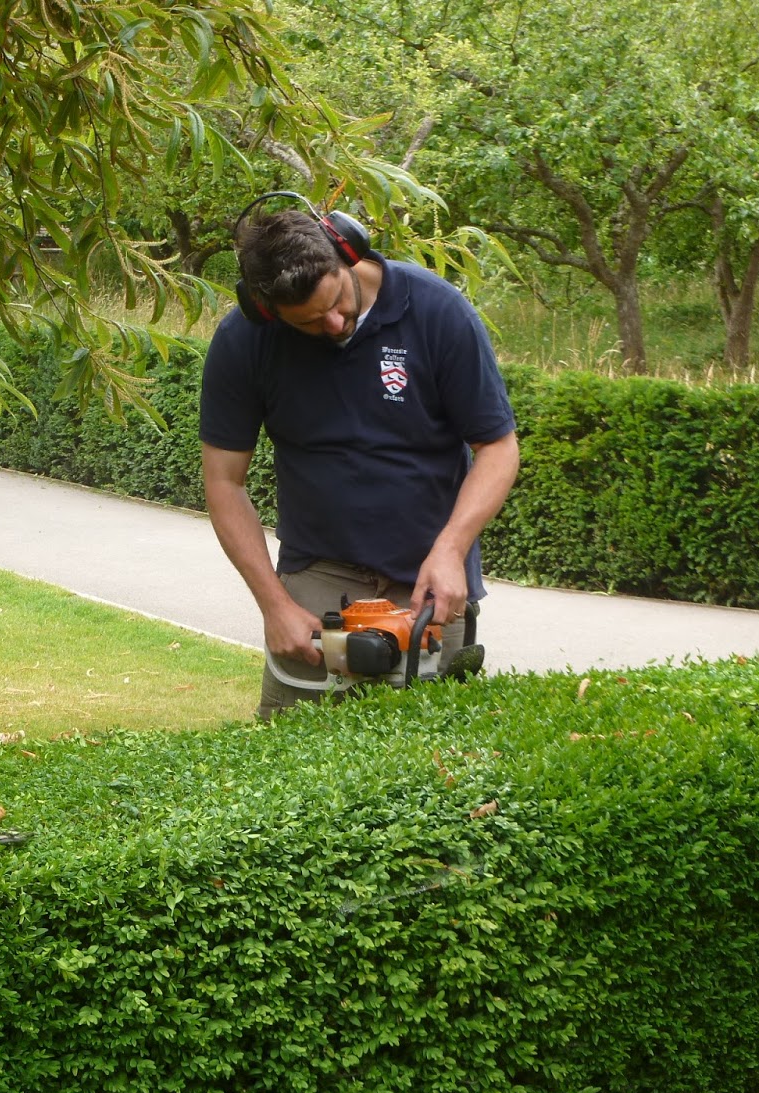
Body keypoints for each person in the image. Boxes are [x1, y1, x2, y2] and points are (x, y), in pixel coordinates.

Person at [199, 197, 519, 720]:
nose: (332, 323)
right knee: (294, 765)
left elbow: (498, 448)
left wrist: (452, 549)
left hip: (427, 586)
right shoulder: (245, 340)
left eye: (337, 301)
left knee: (433, 769)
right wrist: (274, 605)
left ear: (345, 251)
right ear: (266, 310)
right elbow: (224, 482)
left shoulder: (437, 311)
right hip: (316, 584)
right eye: (307, 322)